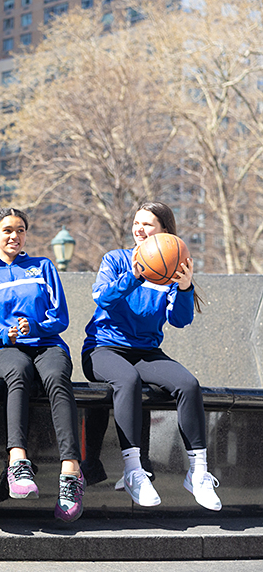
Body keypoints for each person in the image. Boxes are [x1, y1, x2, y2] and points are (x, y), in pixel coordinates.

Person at [82, 202, 220, 511]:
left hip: (146, 351)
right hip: (103, 348)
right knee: (127, 380)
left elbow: (180, 320)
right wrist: (133, 276)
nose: (139, 229)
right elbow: (101, 296)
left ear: (165, 232)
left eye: (148, 224)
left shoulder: (171, 267)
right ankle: (134, 470)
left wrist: (184, 287)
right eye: (136, 223)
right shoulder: (116, 259)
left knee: (188, 383)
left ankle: (198, 473)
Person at [0, 208, 84, 522]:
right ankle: (17, 462)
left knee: (58, 376)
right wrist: (5, 333)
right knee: (18, 372)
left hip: (46, 344)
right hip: (6, 348)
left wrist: (34, 325)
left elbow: (60, 317)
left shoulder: (43, 267)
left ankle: (71, 473)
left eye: (19, 230)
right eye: (6, 230)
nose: (13, 236)